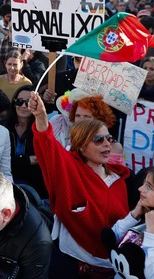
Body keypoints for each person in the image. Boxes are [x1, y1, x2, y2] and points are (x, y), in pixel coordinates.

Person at [29, 91, 131, 277]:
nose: (107, 144)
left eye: (109, 139)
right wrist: (41, 116)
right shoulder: (69, 170)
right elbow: (47, 145)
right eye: (98, 140)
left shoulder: (119, 180)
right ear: (82, 146)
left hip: (111, 268)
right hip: (72, 264)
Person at [105, 166, 154, 278]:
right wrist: (133, 216)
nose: (140, 189)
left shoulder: (153, 229)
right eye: (144, 183)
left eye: (149, 187)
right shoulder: (145, 219)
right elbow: (114, 237)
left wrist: (153, 236)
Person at [6, 85, 47, 198]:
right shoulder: (3, 128)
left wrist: (17, 162)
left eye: (28, 102)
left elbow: (43, 158)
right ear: (14, 104)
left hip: (36, 189)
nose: (23, 106)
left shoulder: (40, 129)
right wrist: (28, 160)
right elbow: (2, 162)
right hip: (7, 185)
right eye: (19, 101)